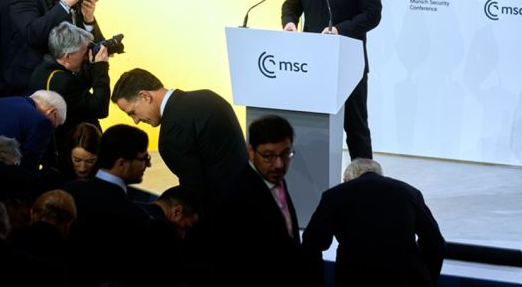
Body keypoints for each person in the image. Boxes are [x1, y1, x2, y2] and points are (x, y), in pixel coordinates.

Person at [281, 0, 382, 160]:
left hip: (350, 65)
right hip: (311, 64)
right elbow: (291, 6)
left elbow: (372, 15)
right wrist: (289, 22)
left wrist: (339, 30)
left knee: (356, 128)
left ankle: (364, 178)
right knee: (312, 124)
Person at [111, 68, 247, 218]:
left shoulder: (171, 134)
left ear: (145, 96)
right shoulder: (209, 97)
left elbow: (194, 197)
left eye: (132, 113)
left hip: (225, 217)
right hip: (250, 199)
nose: (136, 121)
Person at [301, 158, 445, 287]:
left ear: (346, 180)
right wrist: (427, 279)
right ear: (380, 174)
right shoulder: (410, 193)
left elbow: (311, 243)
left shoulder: (334, 195)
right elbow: (436, 243)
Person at [63, 124, 152, 287]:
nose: (148, 165)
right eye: (144, 159)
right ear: (122, 163)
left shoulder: (69, 192)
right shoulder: (136, 217)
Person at [7, 0, 102, 93]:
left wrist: (88, 20)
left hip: (71, 88)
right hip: (35, 89)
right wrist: (64, 4)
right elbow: (34, 35)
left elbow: (99, 48)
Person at [219, 115, 300, 285]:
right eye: (269, 156)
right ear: (251, 152)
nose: (279, 164)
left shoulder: (273, 179)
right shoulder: (237, 196)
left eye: (285, 154)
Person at [29, 22, 110, 167]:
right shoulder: (64, 82)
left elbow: (77, 89)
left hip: (52, 153)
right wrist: (101, 68)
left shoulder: (41, 71)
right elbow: (100, 109)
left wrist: (92, 66)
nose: (86, 57)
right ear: (67, 56)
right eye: (84, 52)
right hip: (72, 156)